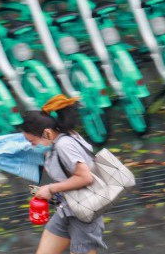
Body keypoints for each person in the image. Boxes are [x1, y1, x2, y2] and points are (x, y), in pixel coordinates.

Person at [20, 94, 108, 254]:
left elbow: (85, 177)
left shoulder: (64, 145)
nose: (31, 146)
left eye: (32, 141)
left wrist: (51, 188)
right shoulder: (59, 138)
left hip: (84, 213)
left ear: (47, 133)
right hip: (67, 209)